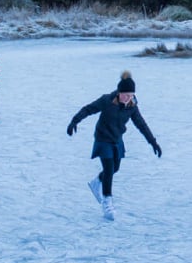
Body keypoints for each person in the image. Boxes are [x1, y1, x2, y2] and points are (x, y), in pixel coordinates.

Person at [66, 71, 162, 221]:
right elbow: (88, 109)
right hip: (103, 138)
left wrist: (153, 142)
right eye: (125, 95)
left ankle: (97, 181)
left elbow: (141, 125)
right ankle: (107, 202)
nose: (128, 98)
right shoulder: (107, 100)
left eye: (131, 95)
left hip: (117, 140)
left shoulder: (132, 106)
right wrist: (74, 121)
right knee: (109, 168)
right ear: (118, 93)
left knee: (115, 168)